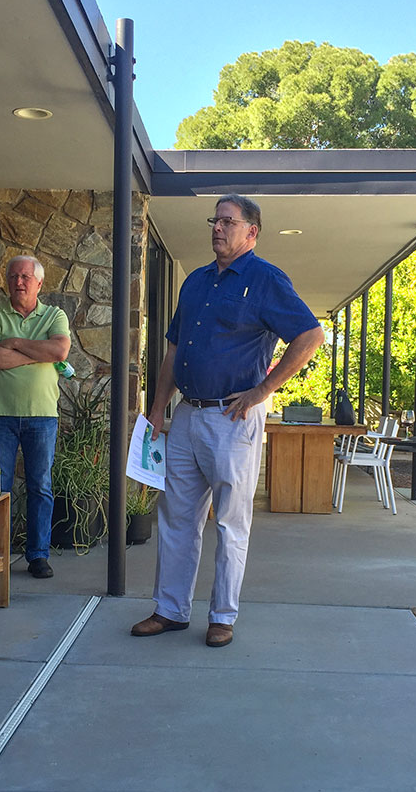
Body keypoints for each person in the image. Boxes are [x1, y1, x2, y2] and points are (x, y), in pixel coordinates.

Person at [132, 194, 324, 647]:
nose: (217, 228)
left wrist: (262, 392)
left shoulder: (265, 279)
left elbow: (311, 335)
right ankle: (170, 610)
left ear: (251, 232)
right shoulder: (196, 282)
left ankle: (222, 615)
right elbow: (174, 350)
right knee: (176, 517)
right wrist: (158, 408)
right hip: (185, 417)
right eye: (214, 220)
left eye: (227, 221)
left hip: (232, 419)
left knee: (230, 523)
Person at [0, 255, 71, 580]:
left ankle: (38, 555)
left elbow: (58, 352)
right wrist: (36, 354)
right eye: (13, 276)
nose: (18, 282)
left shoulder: (55, 315)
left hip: (42, 415)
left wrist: (14, 344)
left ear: (39, 283)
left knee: (40, 486)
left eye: (25, 277)